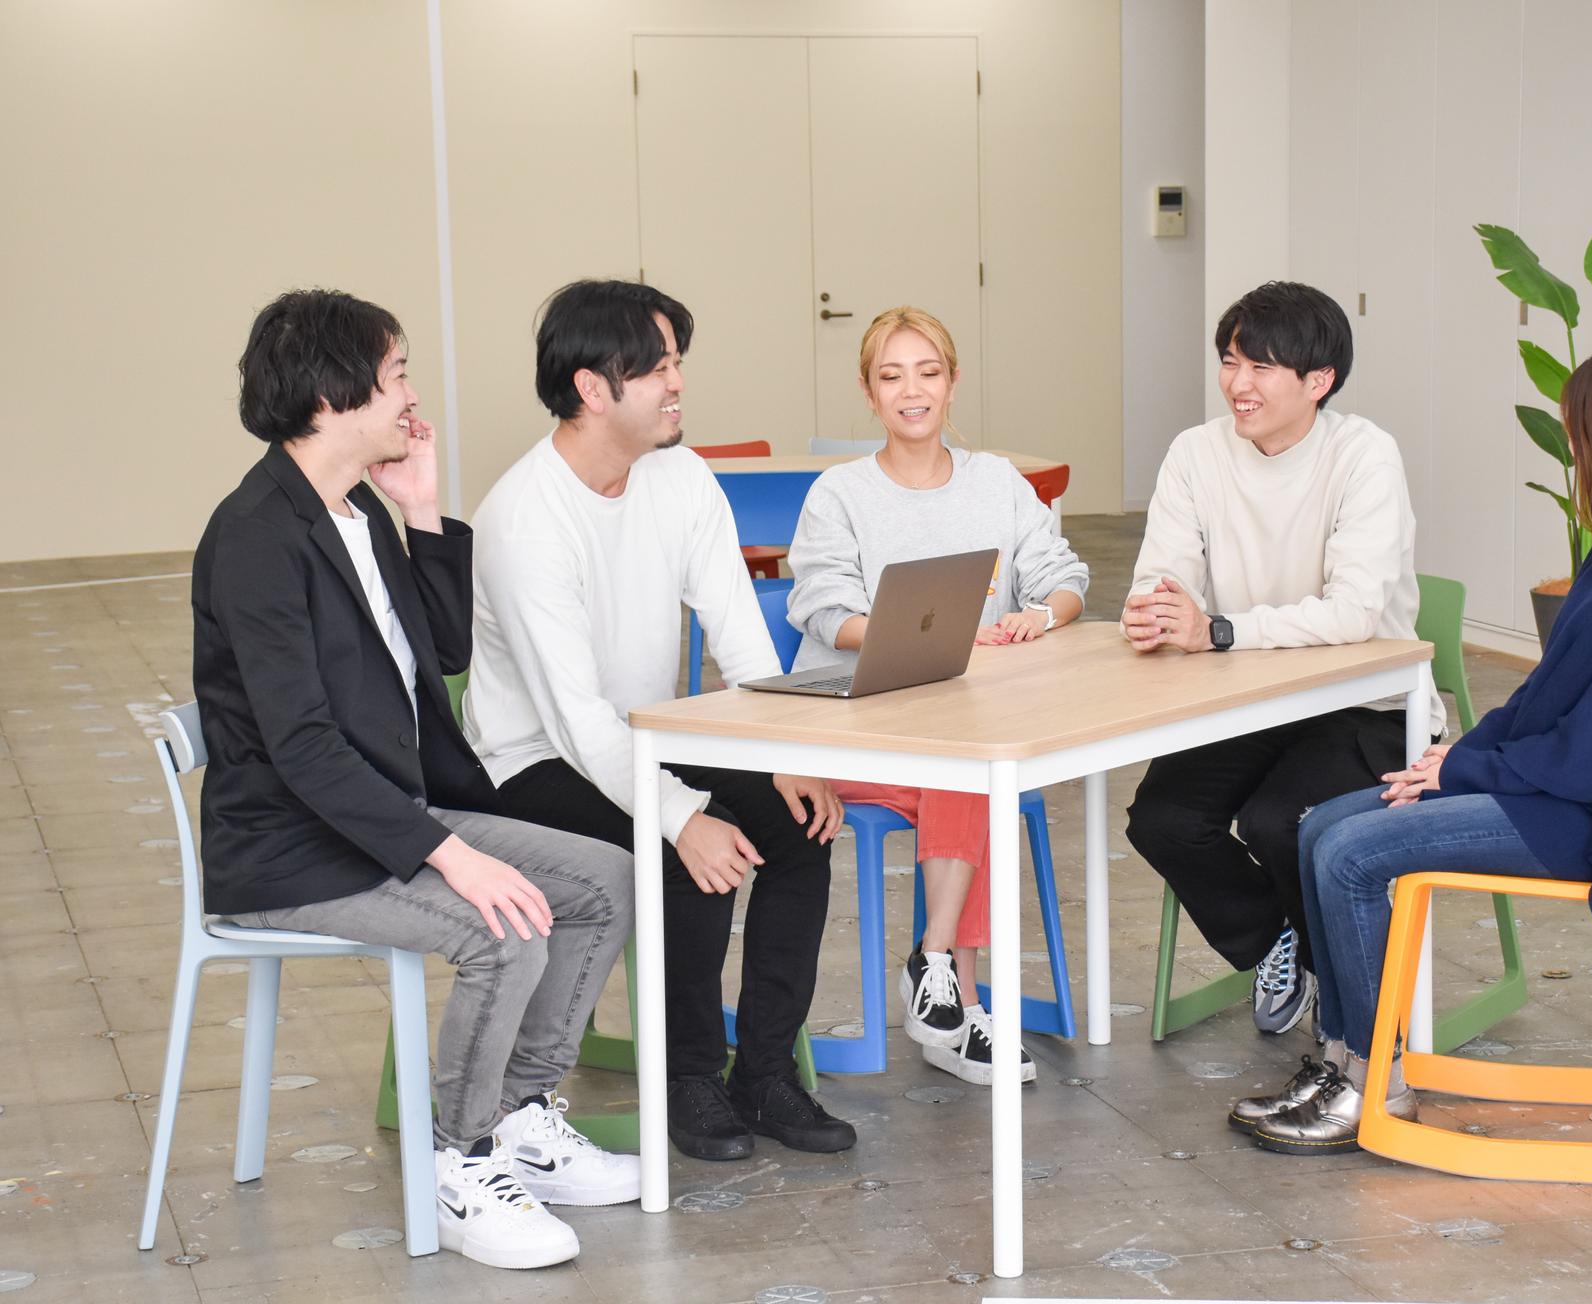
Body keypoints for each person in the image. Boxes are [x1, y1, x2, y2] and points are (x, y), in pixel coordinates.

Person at [192, 290, 638, 1271]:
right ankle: (459, 1160)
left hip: (379, 813)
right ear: (330, 395)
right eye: (396, 375)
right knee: (502, 924)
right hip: (288, 846)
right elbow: (304, 747)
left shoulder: (353, 512)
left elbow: (440, 650)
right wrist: (452, 855)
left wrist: (422, 509)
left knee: (606, 879)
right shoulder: (257, 536)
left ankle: (516, 1114)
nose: (412, 396)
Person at [1236, 340, 1592, 1155]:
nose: (1574, 452)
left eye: (1580, 435)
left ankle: (1378, 1079)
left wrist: (1471, 767)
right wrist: (1455, 757)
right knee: (1317, 827)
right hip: (1553, 786)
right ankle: (1342, 1057)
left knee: (1349, 855)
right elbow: (1554, 695)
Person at [465, 279, 855, 1164]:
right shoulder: (525, 520)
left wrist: (785, 755)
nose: (678, 384)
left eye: (677, 362)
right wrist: (682, 816)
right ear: (592, 388)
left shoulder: (680, 476)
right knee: (685, 851)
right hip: (533, 762)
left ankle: (764, 1074)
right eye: (657, 369)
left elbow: (743, 642)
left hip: (644, 736)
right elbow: (577, 726)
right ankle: (688, 1076)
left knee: (800, 823)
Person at [1120, 281, 1443, 1037]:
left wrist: (1217, 630)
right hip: (1250, 697)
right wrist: (1155, 609)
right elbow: (1161, 574)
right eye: (1231, 362)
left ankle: (1350, 998)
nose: (1238, 383)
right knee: (1162, 819)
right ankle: (1277, 940)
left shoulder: (1363, 455)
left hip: (1366, 703)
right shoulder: (1196, 453)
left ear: (1318, 380)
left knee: (1283, 822)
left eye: (1261, 367)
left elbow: (1354, 612)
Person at [787, 305, 1089, 1085]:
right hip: (855, 727)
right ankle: (955, 995)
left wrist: (1040, 615)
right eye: (891, 376)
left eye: (928, 372)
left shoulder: (995, 482)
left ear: (953, 383)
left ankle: (940, 975)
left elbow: (1062, 577)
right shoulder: (840, 492)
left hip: (957, 727)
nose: (912, 390)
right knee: (973, 768)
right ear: (869, 392)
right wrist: (919, 638)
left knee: (969, 759)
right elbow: (824, 608)